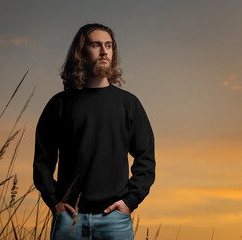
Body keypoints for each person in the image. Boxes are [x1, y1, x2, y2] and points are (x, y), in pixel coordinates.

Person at [33, 23, 155, 240]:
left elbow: (146, 158)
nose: (104, 51)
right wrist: (54, 201)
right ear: (81, 52)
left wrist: (130, 201)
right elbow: (43, 160)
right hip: (69, 219)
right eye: (96, 45)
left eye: (108, 45)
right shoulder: (59, 105)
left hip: (115, 221)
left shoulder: (129, 104)